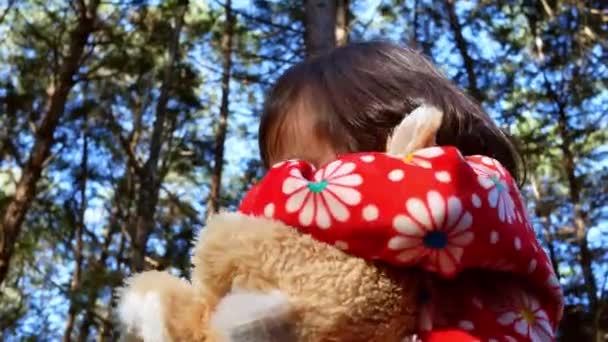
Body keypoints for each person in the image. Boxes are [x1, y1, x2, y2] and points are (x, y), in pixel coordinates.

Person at [239, 41, 563, 341]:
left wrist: (255, 212)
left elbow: (426, 205)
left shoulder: (482, 186)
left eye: (309, 172)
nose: (289, 186)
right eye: (278, 173)